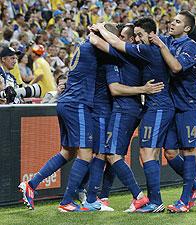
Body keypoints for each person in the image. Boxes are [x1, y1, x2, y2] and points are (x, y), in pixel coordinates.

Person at [18, 37, 108, 212]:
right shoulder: (95, 47)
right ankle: (67, 201)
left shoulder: (82, 48)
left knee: (67, 152)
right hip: (77, 104)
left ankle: (31, 184)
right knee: (86, 153)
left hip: (66, 102)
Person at [96, 17, 175, 213]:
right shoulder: (154, 50)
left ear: (150, 34)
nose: (138, 39)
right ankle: (151, 199)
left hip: (158, 106)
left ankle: (152, 200)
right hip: (153, 106)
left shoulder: (147, 50)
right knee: (151, 153)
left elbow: (112, 42)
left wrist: (98, 27)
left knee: (146, 153)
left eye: (140, 35)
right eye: (136, 35)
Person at [149, 10, 196, 212]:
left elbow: (176, 67)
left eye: (178, 21)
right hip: (172, 105)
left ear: (187, 28)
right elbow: (150, 37)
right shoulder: (168, 40)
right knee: (170, 152)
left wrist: (161, 45)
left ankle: (185, 200)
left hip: (190, 105)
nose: (172, 23)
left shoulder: (190, 45)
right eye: (172, 20)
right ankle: (195, 187)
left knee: (188, 150)